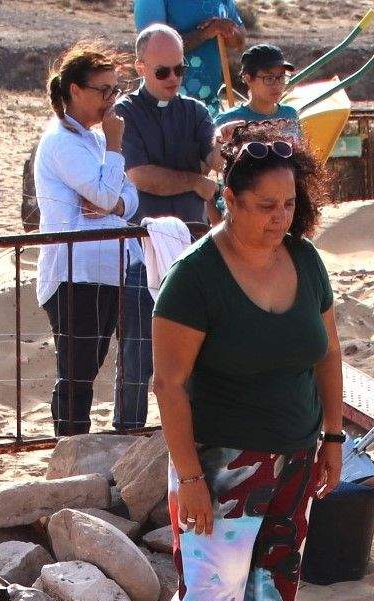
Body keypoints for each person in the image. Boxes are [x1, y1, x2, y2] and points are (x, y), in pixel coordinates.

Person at [132, 126, 345, 601]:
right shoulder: (195, 278)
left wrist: (334, 438)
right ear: (228, 199)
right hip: (220, 466)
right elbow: (168, 386)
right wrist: (191, 478)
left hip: (296, 460)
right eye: (264, 205)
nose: (278, 218)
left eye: (288, 204)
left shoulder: (306, 261)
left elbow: (327, 354)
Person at [116, 25, 224, 433]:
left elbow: (211, 155)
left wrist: (219, 148)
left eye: (179, 69)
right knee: (137, 353)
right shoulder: (126, 113)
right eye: (163, 72)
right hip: (142, 251)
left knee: (195, 350)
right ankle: (128, 431)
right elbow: (142, 176)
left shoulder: (195, 111)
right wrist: (195, 180)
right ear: (140, 66)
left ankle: (194, 432)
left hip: (191, 252)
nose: (174, 79)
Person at [33, 45, 142, 438]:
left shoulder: (92, 139)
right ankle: (70, 446)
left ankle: (76, 444)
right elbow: (106, 194)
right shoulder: (64, 140)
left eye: (116, 91)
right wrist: (114, 149)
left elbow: (127, 196)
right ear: (76, 90)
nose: (111, 102)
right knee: (76, 373)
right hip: (75, 273)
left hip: (106, 270)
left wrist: (114, 200)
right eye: (103, 91)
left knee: (91, 365)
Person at [131, 0, 244, 111]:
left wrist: (225, 28)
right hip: (162, 107)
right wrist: (205, 33)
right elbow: (152, 47)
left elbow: (240, 41)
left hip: (209, 106)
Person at [214, 43, 302, 138]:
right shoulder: (227, 120)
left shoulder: (290, 114)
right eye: (269, 78)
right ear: (248, 79)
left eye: (282, 77)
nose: (277, 85)